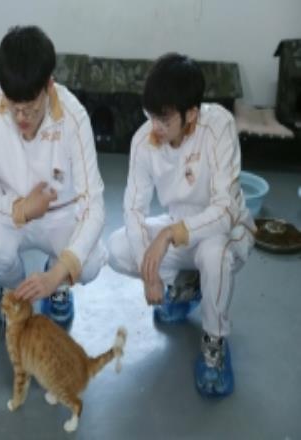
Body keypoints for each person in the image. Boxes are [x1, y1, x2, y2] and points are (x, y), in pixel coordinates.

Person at [107, 53, 256, 397]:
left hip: (224, 233)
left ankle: (214, 343)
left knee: (214, 254)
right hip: (179, 230)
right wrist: (150, 273)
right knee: (117, 248)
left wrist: (168, 235)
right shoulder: (144, 141)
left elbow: (225, 211)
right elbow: (133, 209)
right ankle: (185, 289)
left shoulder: (218, 126)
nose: (155, 127)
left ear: (191, 114)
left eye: (164, 119)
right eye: (150, 115)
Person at [0, 25, 107, 330]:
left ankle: (56, 285)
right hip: (10, 213)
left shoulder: (74, 117)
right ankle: (16, 289)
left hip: (61, 217)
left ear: (48, 85)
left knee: (91, 262)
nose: (21, 118)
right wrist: (19, 208)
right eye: (13, 108)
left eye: (30, 109)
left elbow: (94, 205)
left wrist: (57, 274)